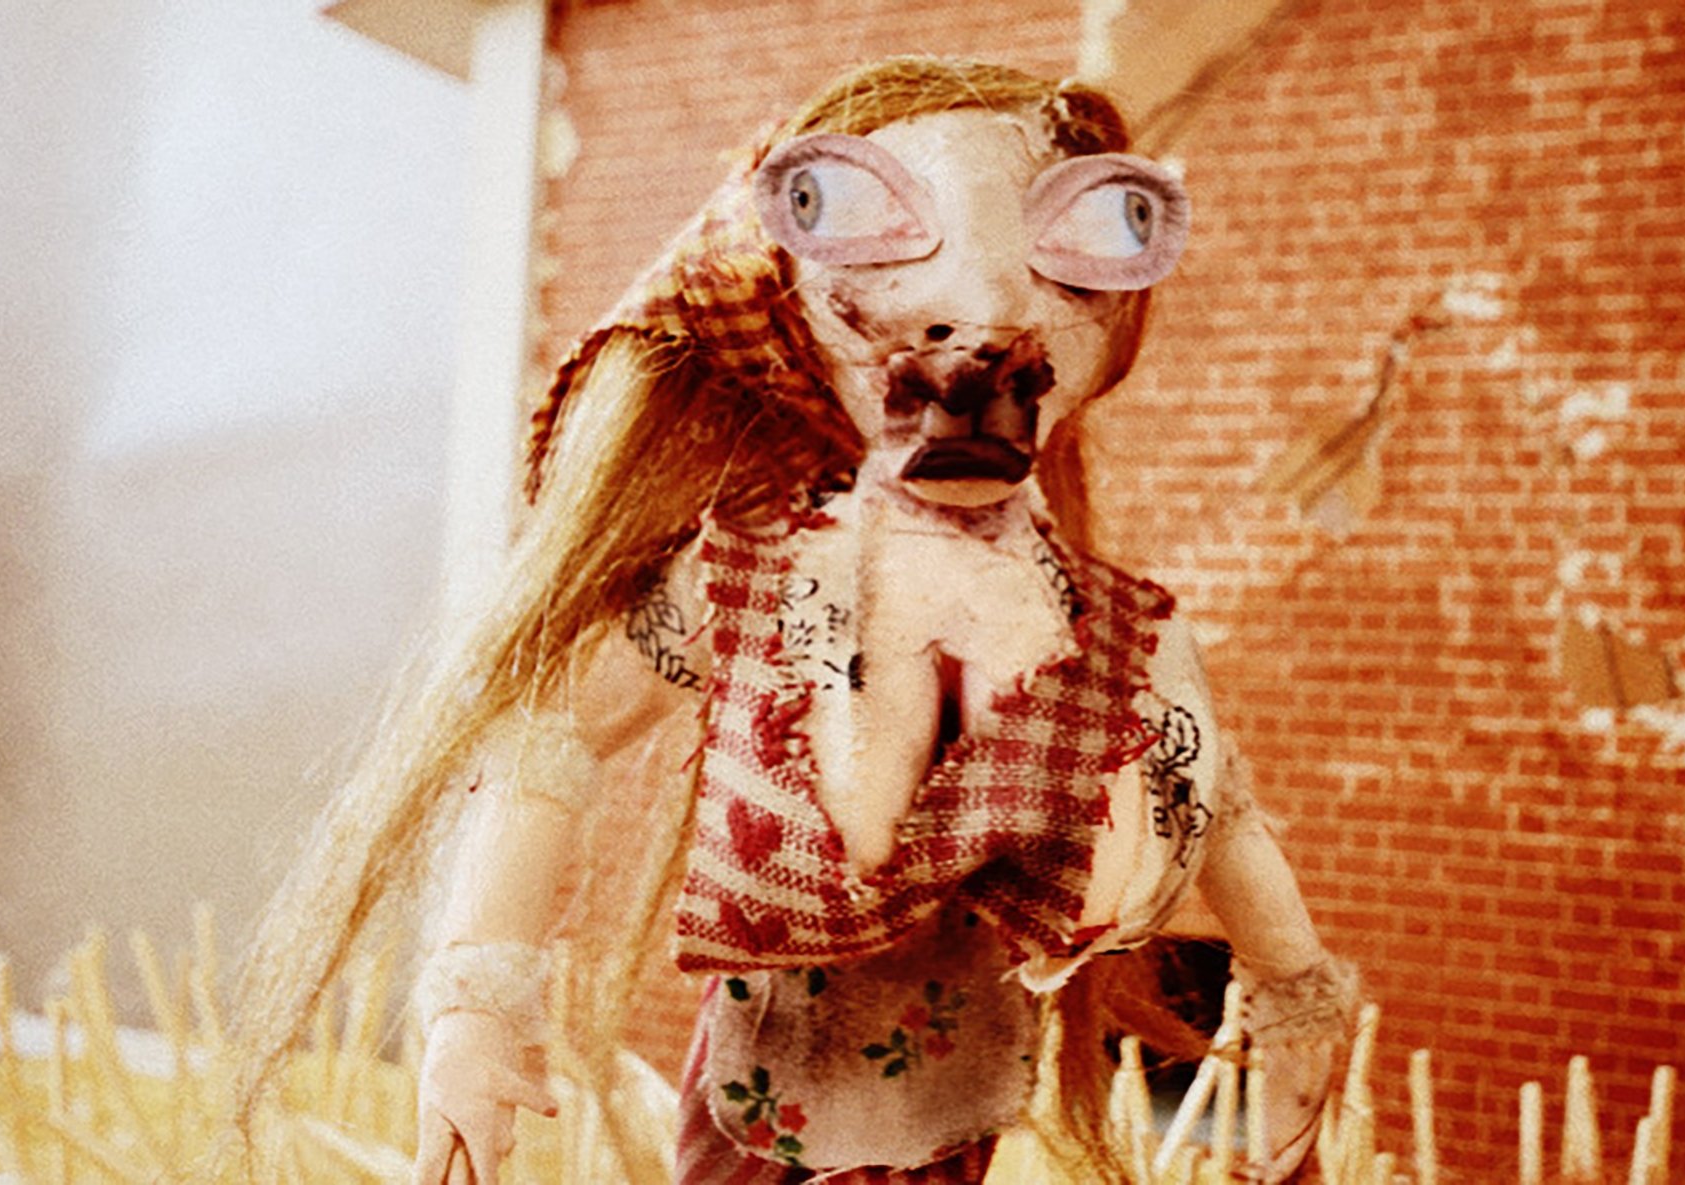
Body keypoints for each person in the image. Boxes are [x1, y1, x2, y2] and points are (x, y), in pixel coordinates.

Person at [234, 57, 1357, 1184]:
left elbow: (1219, 811)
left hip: (955, 1086)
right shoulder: (757, 571)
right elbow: (554, 725)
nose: (972, 379)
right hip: (772, 1096)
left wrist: (1293, 991)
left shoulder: (1104, 625)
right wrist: (479, 999)